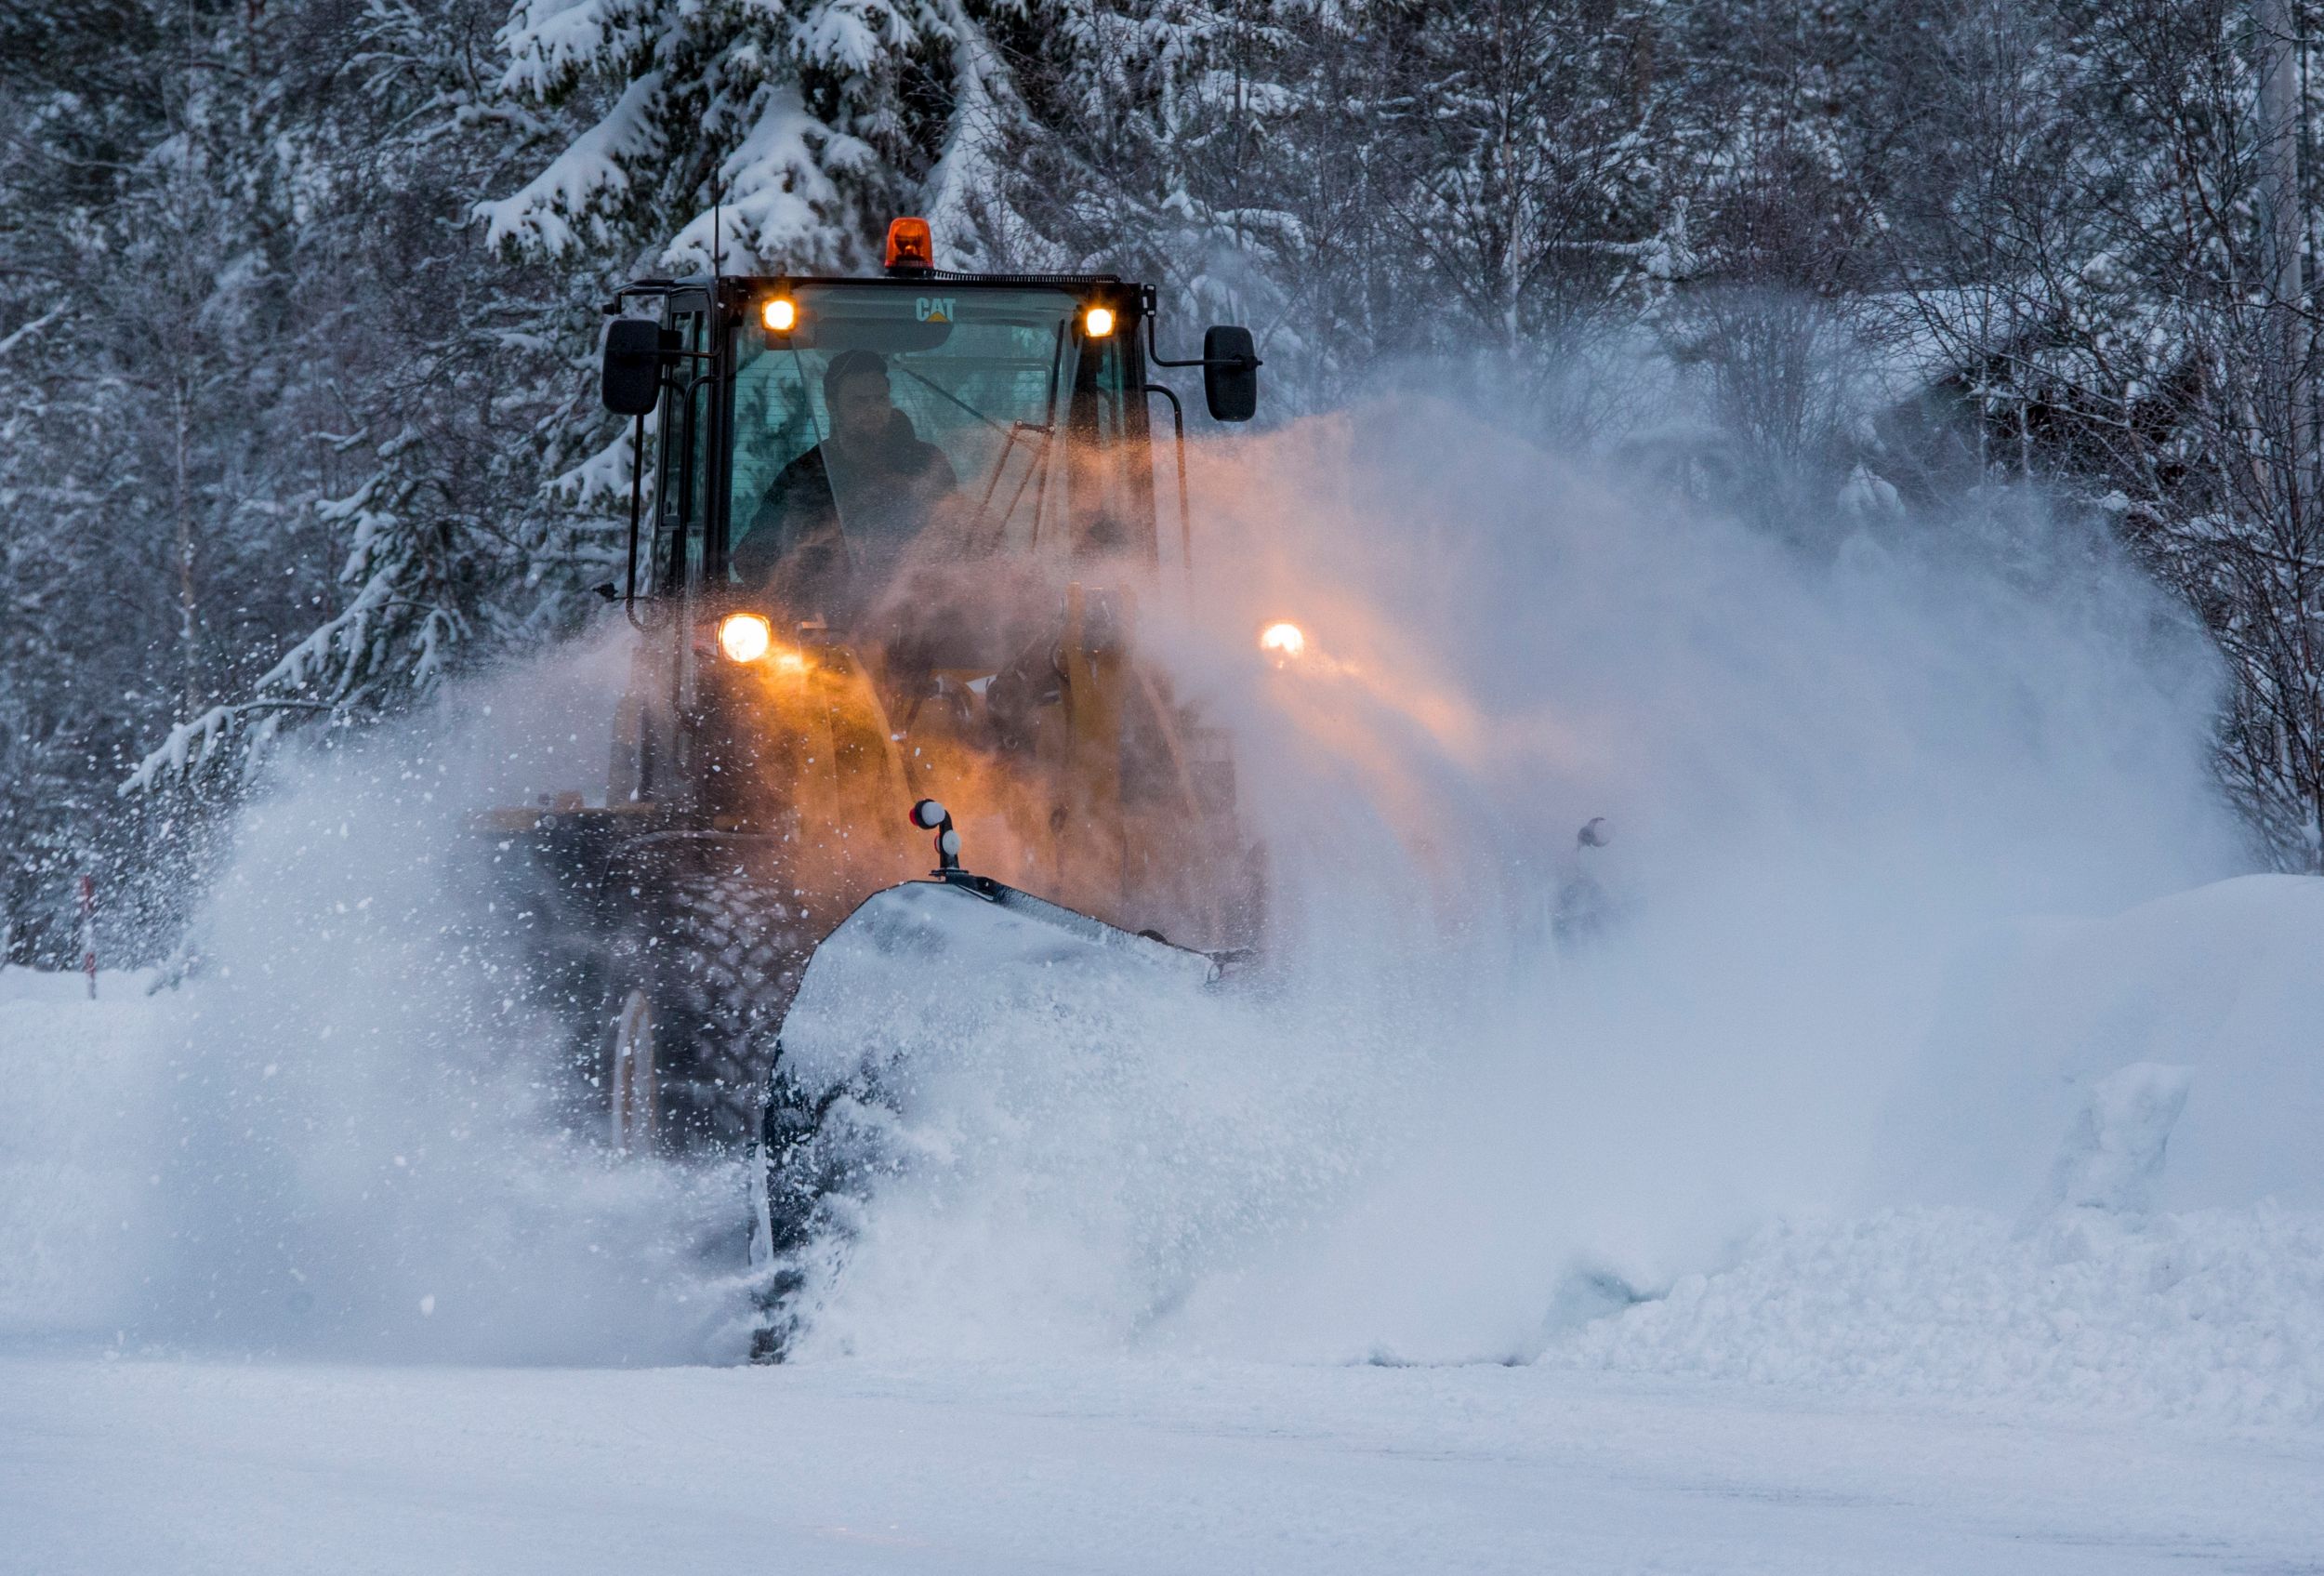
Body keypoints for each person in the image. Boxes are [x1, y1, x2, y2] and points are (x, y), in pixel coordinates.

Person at [733, 349, 957, 614]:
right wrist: (803, 569)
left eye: (879, 399)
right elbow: (751, 556)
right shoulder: (805, 475)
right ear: (832, 406)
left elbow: (958, 531)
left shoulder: (925, 462)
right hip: (828, 628)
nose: (873, 410)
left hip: (920, 618)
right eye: (859, 402)